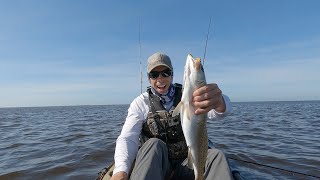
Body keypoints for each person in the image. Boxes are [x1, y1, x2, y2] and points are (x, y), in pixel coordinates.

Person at [110, 52, 233, 180]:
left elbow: (218, 113)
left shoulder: (192, 96)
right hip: (158, 167)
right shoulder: (140, 103)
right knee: (153, 144)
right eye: (154, 74)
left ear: (172, 74)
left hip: (187, 163)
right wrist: (120, 171)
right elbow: (128, 137)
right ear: (148, 78)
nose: (160, 79)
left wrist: (219, 102)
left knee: (217, 156)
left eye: (165, 73)